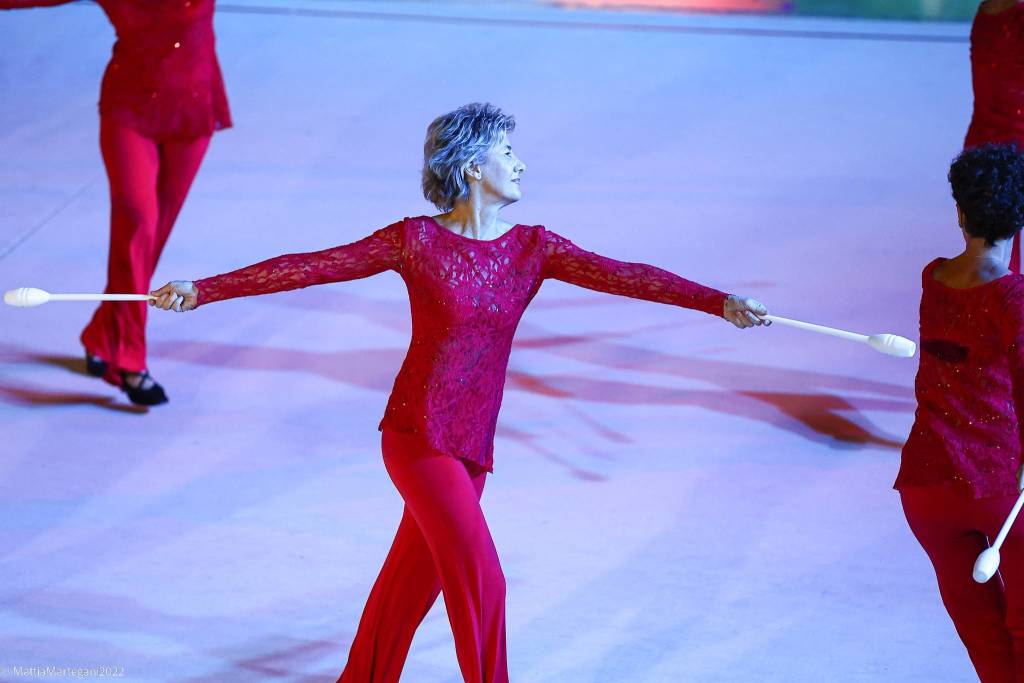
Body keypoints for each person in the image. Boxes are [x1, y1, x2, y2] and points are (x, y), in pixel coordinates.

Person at [150, 103, 768, 683]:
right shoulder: (415, 240)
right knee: (483, 581)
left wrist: (720, 302)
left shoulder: (533, 248)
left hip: (472, 445)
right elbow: (313, 265)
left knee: (406, 590)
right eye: (507, 150)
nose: (521, 163)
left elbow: (628, 276)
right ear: (474, 166)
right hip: (418, 438)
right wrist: (204, 288)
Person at [1, 0, 232, 404]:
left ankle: (102, 334)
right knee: (137, 224)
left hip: (193, 111)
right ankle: (130, 359)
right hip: (130, 112)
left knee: (150, 240)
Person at [896, 143, 1024, 683]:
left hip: (927, 490)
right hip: (1001, 492)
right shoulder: (1012, 297)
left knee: (985, 642)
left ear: (960, 212)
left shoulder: (934, 278)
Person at [965, 0, 1024, 272]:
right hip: (1011, 148)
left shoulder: (986, 10)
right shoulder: (1016, 15)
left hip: (982, 148)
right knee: (994, 263)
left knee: (994, 260)